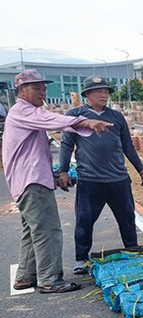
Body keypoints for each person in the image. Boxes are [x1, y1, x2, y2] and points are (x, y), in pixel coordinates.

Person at [2, 69, 112, 293]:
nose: (43, 91)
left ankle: (26, 276)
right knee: (47, 231)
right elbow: (52, 120)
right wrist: (86, 122)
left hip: (28, 180)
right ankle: (50, 279)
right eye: (36, 88)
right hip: (31, 182)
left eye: (43, 87)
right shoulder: (23, 111)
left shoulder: (24, 112)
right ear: (21, 90)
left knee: (32, 230)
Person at [59, 76, 143, 274]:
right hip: (90, 181)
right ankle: (81, 259)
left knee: (127, 218)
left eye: (106, 91)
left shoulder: (116, 117)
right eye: (98, 91)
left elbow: (127, 145)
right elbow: (66, 145)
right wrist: (63, 171)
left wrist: (140, 168)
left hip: (118, 180)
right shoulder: (76, 116)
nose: (104, 94)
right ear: (87, 95)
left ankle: (132, 252)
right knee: (84, 220)